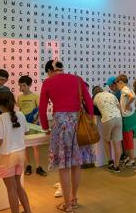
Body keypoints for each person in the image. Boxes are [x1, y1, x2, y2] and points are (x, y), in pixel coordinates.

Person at [39, 60, 95, 212]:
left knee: (64, 165)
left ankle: (67, 205)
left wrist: (45, 127)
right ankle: (74, 199)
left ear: (50, 71)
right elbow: (89, 103)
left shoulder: (48, 82)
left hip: (61, 125)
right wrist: (90, 120)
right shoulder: (77, 79)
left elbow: (42, 109)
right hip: (78, 124)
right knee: (77, 163)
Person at [0, 91, 31, 213]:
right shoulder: (21, 114)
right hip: (20, 154)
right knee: (18, 185)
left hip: (6, 157)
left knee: (11, 189)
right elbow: (26, 131)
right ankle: (28, 211)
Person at [17, 75, 47, 177]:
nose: (22, 88)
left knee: (35, 146)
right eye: (20, 86)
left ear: (29, 85)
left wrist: (35, 122)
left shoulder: (35, 96)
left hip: (34, 124)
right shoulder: (19, 97)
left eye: (24, 85)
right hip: (23, 124)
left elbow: (39, 110)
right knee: (24, 146)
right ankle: (28, 166)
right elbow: (20, 110)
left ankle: (38, 167)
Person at [92, 86, 123, 173]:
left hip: (108, 119)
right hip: (118, 118)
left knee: (106, 140)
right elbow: (119, 107)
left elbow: (93, 111)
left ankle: (110, 161)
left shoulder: (95, 98)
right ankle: (116, 166)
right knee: (117, 143)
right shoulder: (111, 95)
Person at [115, 74, 136, 168]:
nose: (117, 87)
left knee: (128, 140)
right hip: (132, 116)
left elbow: (132, 97)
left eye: (117, 84)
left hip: (127, 118)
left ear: (120, 82)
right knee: (129, 139)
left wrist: (127, 105)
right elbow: (135, 101)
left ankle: (132, 160)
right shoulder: (129, 89)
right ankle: (130, 157)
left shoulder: (124, 89)